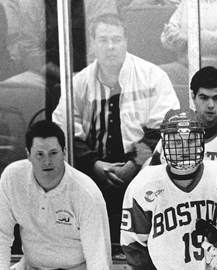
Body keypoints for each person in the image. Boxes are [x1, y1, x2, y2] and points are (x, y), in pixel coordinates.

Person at [53, 16, 180, 238]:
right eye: (103, 40)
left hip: (142, 171)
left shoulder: (153, 76)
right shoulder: (79, 82)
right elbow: (63, 129)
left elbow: (164, 130)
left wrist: (133, 166)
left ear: (126, 41)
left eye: (116, 39)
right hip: (92, 171)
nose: (110, 46)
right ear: (92, 43)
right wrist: (94, 165)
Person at [0, 120, 112, 270]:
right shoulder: (12, 179)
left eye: (53, 153)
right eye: (39, 154)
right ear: (28, 155)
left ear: (64, 152)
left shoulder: (86, 193)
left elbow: (98, 255)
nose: (47, 161)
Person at [121, 109, 217, 270]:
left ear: (202, 141)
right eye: (177, 142)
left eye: (190, 141)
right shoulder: (144, 184)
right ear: (164, 144)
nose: (184, 149)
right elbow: (133, 243)